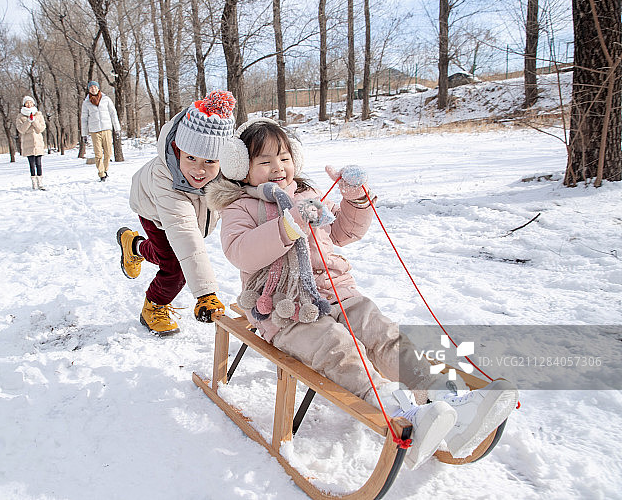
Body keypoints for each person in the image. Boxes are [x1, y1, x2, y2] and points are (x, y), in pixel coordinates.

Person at [207, 118, 518, 470]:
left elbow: (341, 233)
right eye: (264, 162)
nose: (278, 168)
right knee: (336, 347)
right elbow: (241, 252)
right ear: (240, 168)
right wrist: (288, 225)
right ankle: (396, 413)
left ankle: (443, 398)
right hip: (287, 310)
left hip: (339, 292)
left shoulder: (307, 195)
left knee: (383, 333)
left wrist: (355, 200)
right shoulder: (238, 208)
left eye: (283, 157)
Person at [115, 91, 236, 336]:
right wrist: (206, 293)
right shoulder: (165, 178)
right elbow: (186, 236)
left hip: (187, 215)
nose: (199, 170)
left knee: (168, 255)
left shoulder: (229, 171)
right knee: (174, 268)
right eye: (191, 157)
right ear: (177, 149)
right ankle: (154, 307)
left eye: (210, 162)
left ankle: (134, 247)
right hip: (153, 209)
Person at [80, 80, 121, 182]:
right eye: (91, 87)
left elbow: (113, 114)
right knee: (98, 154)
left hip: (106, 129)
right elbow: (84, 119)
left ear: (98, 88)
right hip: (94, 131)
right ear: (89, 89)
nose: (93, 88)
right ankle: (101, 173)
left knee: (108, 152)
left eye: (95, 87)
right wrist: (84, 134)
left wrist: (117, 129)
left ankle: (105, 170)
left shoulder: (106, 99)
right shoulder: (86, 103)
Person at [16, 95, 47, 190]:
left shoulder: (38, 114)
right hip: (27, 143)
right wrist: (28, 121)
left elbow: (41, 128)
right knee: (31, 163)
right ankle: (33, 182)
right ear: (24, 104)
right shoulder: (20, 116)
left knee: (39, 163)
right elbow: (21, 130)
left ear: (33, 103)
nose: (29, 104)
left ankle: (40, 182)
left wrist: (34, 121)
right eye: (27, 103)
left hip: (38, 142)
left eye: (30, 102)